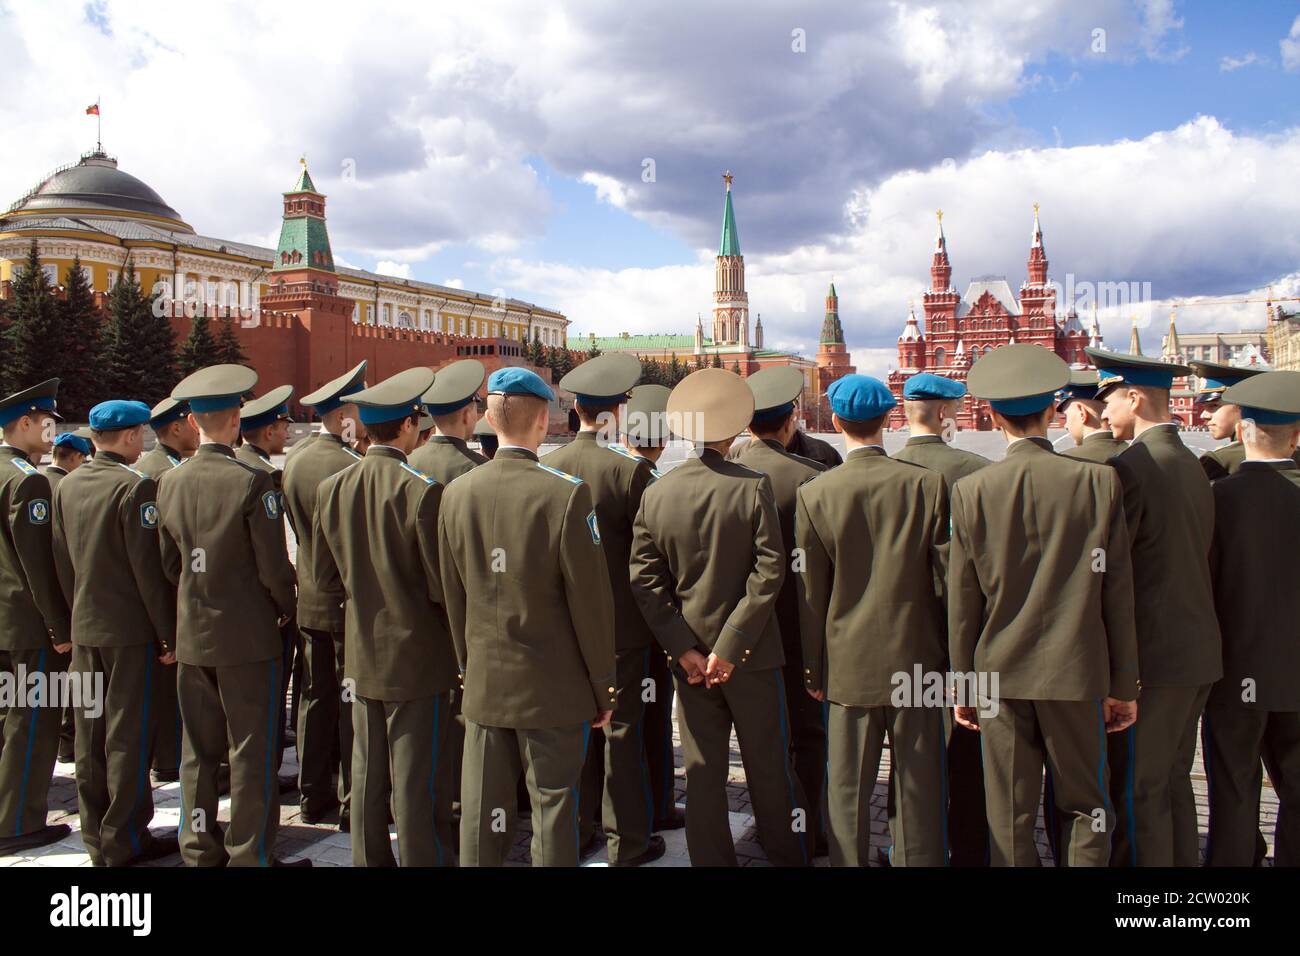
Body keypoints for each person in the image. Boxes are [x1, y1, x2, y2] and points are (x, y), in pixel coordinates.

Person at [952, 345, 1139, 867]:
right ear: (1054, 411)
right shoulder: (1098, 482)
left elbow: (964, 602)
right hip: (1076, 673)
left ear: (990, 415)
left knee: (1008, 811)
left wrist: (963, 683)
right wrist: (1123, 684)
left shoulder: (972, 490)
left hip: (999, 676)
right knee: (1085, 806)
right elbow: (1117, 592)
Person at [630, 368, 809, 867]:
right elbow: (770, 573)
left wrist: (684, 648)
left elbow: (645, 582)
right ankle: (787, 850)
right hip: (751, 656)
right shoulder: (752, 488)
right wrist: (731, 647)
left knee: (704, 768)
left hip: (689, 662)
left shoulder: (657, 492)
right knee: (769, 762)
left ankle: (711, 857)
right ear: (732, 429)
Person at [439, 367, 617, 867]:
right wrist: (603, 685)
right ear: (543, 420)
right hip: (553, 689)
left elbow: (454, 597)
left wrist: (466, 666)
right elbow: (591, 604)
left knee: (481, 816)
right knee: (553, 810)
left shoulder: (457, 493)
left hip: (485, 684)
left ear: (490, 420)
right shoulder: (565, 495)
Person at [156, 364, 306, 867]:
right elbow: (274, 570)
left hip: (194, 634)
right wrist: (286, 611)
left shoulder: (170, 482)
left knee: (197, 751)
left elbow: (171, 564)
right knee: (251, 749)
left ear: (194, 422)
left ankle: (197, 846)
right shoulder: (254, 481)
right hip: (247, 639)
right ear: (237, 417)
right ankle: (249, 852)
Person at [796, 374, 948, 866]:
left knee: (846, 789)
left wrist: (814, 669)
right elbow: (946, 585)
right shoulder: (927, 485)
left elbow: (811, 596)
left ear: (836, 422)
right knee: (918, 787)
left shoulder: (815, 493)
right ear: (890, 419)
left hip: (848, 665)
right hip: (918, 663)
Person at [315, 367, 458, 866]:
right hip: (418, 656)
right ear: (407, 427)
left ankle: (369, 858)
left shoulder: (333, 486)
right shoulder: (420, 490)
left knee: (367, 770)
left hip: (361, 650)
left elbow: (324, 578)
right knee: (418, 776)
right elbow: (442, 587)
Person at [1087, 345, 1222, 867]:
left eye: (1111, 401)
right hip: (1196, 654)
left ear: (1135, 398)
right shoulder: (1191, 462)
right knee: (1172, 785)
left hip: (1153, 658)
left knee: (1139, 790)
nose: (1106, 414)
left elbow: (1116, 578)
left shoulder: (1133, 467)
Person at [543, 353, 666, 866]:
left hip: (565, 630)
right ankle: (628, 841)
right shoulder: (630, 472)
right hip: (623, 630)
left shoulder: (548, 466)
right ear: (617, 412)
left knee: (575, 733)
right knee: (623, 734)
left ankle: (579, 827)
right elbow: (651, 556)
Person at [51, 399, 178, 866]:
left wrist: (68, 621)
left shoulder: (68, 484)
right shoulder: (135, 488)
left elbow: (62, 563)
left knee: (90, 736)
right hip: (128, 634)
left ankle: (95, 837)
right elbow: (148, 572)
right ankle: (125, 839)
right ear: (129, 436)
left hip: (84, 630)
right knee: (127, 735)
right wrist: (168, 635)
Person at [891, 371, 990, 866]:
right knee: (969, 751)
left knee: (908, 752)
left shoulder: (884, 469)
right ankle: (971, 847)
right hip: (965, 635)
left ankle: (904, 846)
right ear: (948, 415)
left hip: (900, 637)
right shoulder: (977, 469)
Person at [1201, 370, 1300, 866]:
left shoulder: (1217, 500)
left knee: (1232, 784)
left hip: (1235, 671)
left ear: (1242, 431)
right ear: (1297, 436)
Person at [735, 366, 829, 856]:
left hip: (747, 630)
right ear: (792, 419)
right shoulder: (817, 475)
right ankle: (811, 831)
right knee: (810, 733)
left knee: (767, 736)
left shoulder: (729, 473)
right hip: (804, 624)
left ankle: (778, 830)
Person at [281, 361, 366, 831]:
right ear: (346, 410)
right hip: (345, 605)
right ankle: (353, 799)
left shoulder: (296, 459)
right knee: (350, 703)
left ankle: (312, 795)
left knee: (314, 698)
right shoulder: (348, 466)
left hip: (309, 598)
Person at [0, 379, 73, 854]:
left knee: (8, 718)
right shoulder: (26, 480)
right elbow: (36, 566)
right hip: (26, 622)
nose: (52, 431)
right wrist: (58, 625)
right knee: (31, 721)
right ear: (24, 423)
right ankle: (17, 821)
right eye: (47, 422)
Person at [622, 383, 682, 830]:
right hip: (648, 626)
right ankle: (657, 807)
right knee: (653, 721)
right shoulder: (654, 484)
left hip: (598, 626)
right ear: (664, 440)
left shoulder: (567, 470)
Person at [236, 385, 300, 784]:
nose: (287, 434)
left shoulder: (241, 465)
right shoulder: (259, 477)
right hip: (260, 612)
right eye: (282, 427)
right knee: (265, 700)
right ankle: (263, 774)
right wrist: (285, 604)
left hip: (212, 614)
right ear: (270, 430)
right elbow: (273, 558)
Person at [136, 397, 200, 785]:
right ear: (176, 428)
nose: (198, 427)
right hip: (170, 593)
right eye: (191, 422)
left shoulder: (153, 467)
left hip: (161, 593)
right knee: (170, 684)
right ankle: (169, 756)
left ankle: (167, 754)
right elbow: (162, 551)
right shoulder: (164, 472)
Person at [46, 428, 94, 764]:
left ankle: (64, 739)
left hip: (45, 598)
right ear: (76, 458)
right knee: (73, 677)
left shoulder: (39, 480)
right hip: (65, 597)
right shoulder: (62, 487)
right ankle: (69, 738)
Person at [1189, 361, 1267, 480]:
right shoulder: (1289, 451)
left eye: (1214, 406)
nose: (1204, 415)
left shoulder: (1218, 461)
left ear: (1242, 406)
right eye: (1204, 407)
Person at [1056, 369, 1129, 463]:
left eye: (1066, 416)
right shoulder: (1139, 454)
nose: (1066, 425)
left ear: (1082, 413)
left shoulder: (1067, 461)